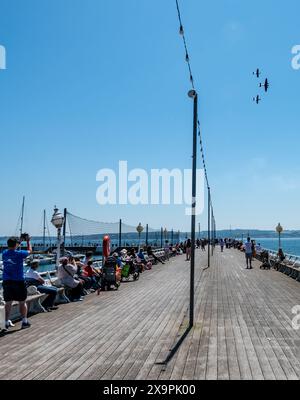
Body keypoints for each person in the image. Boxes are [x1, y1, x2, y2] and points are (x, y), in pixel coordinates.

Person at [2, 235, 32, 330]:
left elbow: (13, 248)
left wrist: (19, 241)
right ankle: (24, 322)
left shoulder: (4, 253)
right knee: (22, 302)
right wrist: (27, 241)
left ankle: (6, 322)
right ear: (16, 244)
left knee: (8, 303)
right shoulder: (20, 254)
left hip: (7, 281)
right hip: (18, 281)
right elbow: (30, 250)